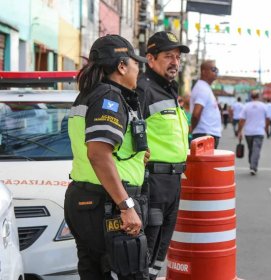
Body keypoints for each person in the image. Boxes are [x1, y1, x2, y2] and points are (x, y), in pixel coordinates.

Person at [64, 34, 149, 279]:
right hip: (108, 203)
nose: (138, 70)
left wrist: (136, 158)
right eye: (136, 63)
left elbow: (105, 150)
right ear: (121, 66)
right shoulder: (109, 97)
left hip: (89, 199)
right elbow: (98, 155)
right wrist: (126, 205)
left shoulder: (90, 94)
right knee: (130, 273)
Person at [135, 31, 190, 279]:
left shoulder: (167, 90)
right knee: (145, 252)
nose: (175, 62)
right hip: (152, 184)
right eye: (168, 56)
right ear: (150, 58)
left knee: (159, 252)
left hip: (172, 183)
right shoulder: (143, 89)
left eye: (177, 57)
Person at [190, 60, 222, 148]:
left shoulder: (205, 87)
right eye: (213, 69)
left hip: (207, 134)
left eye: (217, 70)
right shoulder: (202, 88)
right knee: (205, 162)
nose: (216, 72)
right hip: (205, 135)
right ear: (203, 72)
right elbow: (196, 114)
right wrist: (192, 129)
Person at [237, 93, 271, 175]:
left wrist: (239, 131)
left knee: (251, 149)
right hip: (259, 131)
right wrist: (266, 127)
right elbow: (268, 118)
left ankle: (252, 165)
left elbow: (241, 120)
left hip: (248, 132)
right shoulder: (263, 106)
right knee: (256, 149)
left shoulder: (246, 106)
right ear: (258, 97)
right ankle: (253, 165)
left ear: (251, 97)